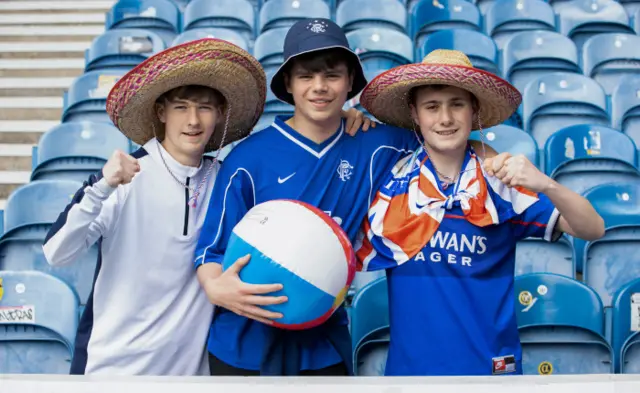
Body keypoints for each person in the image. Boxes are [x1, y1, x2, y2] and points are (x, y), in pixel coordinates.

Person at [41, 37, 369, 376]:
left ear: (220, 114)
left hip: (190, 372)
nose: (193, 120)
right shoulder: (123, 179)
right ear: (161, 112)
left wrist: (339, 116)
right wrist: (101, 187)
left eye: (205, 108)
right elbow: (57, 253)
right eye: (181, 107)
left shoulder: (226, 175)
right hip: (112, 369)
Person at [192, 20, 498, 376]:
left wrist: (496, 159)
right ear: (288, 84)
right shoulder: (249, 159)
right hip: (244, 344)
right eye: (306, 76)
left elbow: (449, 142)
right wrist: (216, 287)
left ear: (351, 81)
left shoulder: (379, 144)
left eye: (332, 75)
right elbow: (210, 250)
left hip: (323, 344)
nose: (319, 87)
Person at [354, 49, 606, 376]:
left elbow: (593, 229)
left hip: (491, 372)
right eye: (432, 107)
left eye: (456, 105)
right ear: (415, 115)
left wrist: (546, 184)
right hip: (411, 374)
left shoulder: (501, 184)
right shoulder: (390, 183)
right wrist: (350, 117)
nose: (445, 119)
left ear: (473, 111)